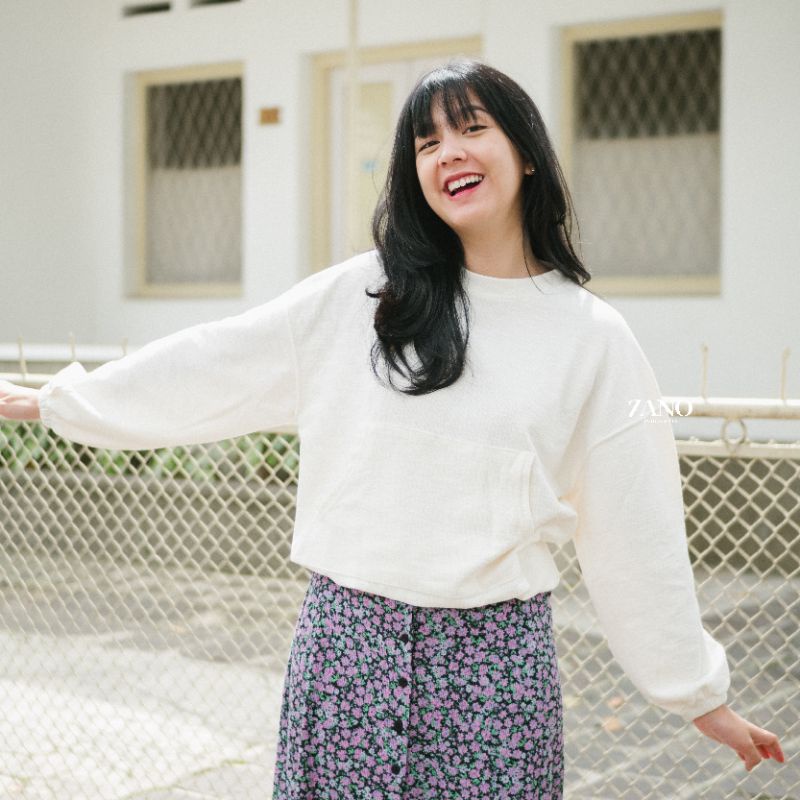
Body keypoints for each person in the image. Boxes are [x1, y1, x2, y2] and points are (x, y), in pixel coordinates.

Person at [0, 59, 785, 798]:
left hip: (493, 677)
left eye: (472, 128)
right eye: (427, 142)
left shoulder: (592, 338)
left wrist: (696, 694)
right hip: (346, 655)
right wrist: (61, 402)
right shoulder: (365, 298)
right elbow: (220, 362)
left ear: (526, 153)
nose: (450, 153)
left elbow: (635, 526)